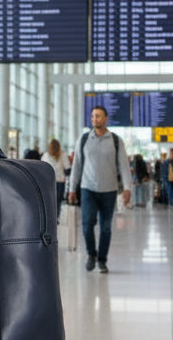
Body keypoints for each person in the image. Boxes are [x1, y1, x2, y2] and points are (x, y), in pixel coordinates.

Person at [66, 105, 131, 274]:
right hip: (88, 188)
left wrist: (127, 188)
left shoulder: (116, 141)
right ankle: (91, 254)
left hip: (109, 190)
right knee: (87, 225)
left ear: (106, 118)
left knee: (106, 227)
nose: (95, 119)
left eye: (99, 116)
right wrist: (72, 188)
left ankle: (102, 260)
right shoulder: (84, 139)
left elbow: (124, 166)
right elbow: (77, 166)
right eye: (93, 116)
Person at [41, 138, 67, 219]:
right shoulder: (63, 155)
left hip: (48, 181)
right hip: (60, 181)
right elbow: (68, 169)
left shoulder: (45, 155)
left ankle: (49, 217)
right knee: (58, 201)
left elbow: (41, 168)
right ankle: (56, 217)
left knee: (49, 200)